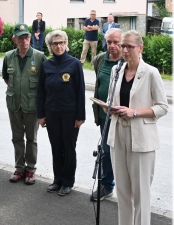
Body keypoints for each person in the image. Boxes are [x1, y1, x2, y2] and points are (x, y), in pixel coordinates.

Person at [105, 30, 168, 225]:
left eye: (129, 46)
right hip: (117, 135)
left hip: (141, 138)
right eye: (123, 46)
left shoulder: (151, 72)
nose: (124, 50)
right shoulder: (117, 71)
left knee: (141, 194)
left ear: (140, 48)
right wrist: (109, 107)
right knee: (123, 193)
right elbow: (110, 98)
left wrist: (134, 112)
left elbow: (162, 107)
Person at [37, 30, 85, 196]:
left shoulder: (74, 64)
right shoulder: (46, 65)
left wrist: (80, 116)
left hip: (70, 114)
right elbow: (41, 92)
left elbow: (80, 91)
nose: (59, 46)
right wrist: (40, 115)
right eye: (55, 43)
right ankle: (57, 180)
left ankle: (67, 182)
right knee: (56, 147)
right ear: (50, 46)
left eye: (61, 42)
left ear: (66, 44)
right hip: (51, 113)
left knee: (69, 147)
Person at [2, 23, 47, 185]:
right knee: (17, 138)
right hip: (14, 103)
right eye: (20, 37)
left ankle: (31, 169)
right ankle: (19, 168)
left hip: (32, 105)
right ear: (15, 40)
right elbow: (7, 79)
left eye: (26, 37)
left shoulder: (39, 57)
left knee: (31, 139)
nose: (24, 40)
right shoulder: (8, 57)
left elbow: (44, 84)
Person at [90, 28, 123, 201]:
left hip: (123, 117)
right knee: (106, 151)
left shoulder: (128, 61)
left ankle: (127, 190)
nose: (112, 46)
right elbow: (99, 83)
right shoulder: (99, 60)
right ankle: (107, 186)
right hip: (104, 116)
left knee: (123, 153)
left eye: (116, 42)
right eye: (109, 42)